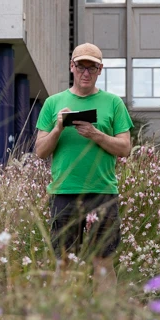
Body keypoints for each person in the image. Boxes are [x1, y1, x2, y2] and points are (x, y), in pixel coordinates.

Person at [34, 43, 133, 290]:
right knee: (64, 262)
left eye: (92, 67)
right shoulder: (53, 103)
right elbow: (40, 151)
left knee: (103, 261)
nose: (85, 72)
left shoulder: (113, 103)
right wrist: (58, 127)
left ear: (100, 70)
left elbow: (125, 148)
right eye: (81, 66)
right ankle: (62, 318)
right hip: (64, 192)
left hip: (103, 192)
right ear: (72, 67)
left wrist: (95, 134)